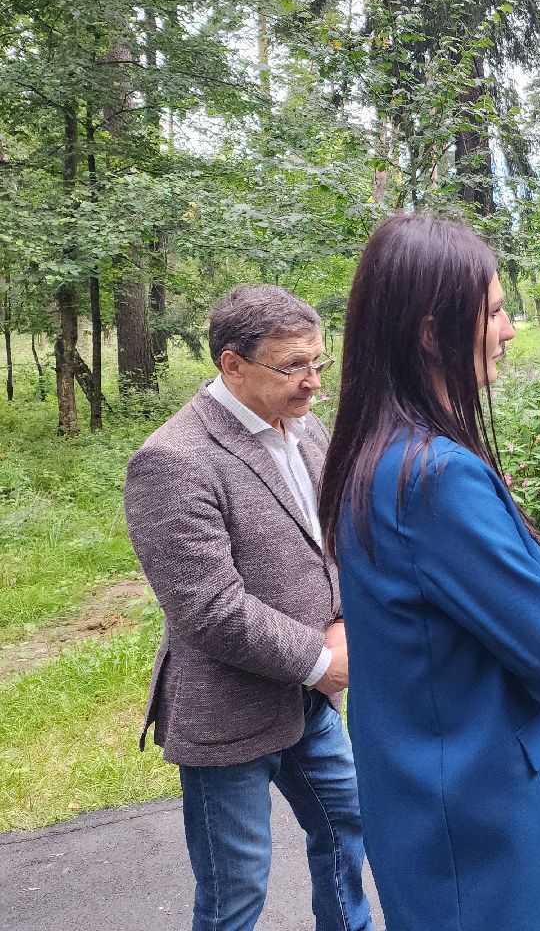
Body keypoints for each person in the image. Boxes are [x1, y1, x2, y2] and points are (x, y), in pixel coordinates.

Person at [318, 215, 540, 931]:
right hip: (478, 815)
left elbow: (484, 594)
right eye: (497, 311)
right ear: (429, 331)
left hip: (422, 797)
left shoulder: (374, 455)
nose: (509, 329)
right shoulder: (435, 477)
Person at [123, 286, 371, 931]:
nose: (313, 382)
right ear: (232, 365)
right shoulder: (173, 460)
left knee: (349, 830)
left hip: (310, 707)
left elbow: (329, 540)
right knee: (236, 892)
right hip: (227, 716)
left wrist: (342, 616)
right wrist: (320, 659)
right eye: (292, 366)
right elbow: (207, 605)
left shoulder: (305, 426)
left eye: (319, 362)